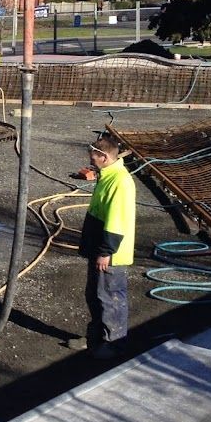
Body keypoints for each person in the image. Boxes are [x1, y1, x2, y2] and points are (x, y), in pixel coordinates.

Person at [76, 135, 136, 358]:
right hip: (99, 249)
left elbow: (117, 221)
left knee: (110, 298)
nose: (90, 160)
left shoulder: (120, 181)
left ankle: (113, 344)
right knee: (94, 294)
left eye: (93, 156)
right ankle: (96, 337)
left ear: (104, 156)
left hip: (110, 254)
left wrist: (105, 252)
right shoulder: (107, 175)